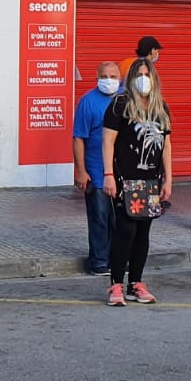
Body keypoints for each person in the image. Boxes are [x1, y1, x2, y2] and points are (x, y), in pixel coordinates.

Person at [101, 60, 173, 306]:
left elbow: (166, 146)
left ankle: (136, 283)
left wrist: (168, 179)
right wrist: (108, 175)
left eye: (147, 74)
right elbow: (108, 141)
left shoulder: (160, 107)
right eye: (139, 74)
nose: (143, 79)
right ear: (130, 78)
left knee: (143, 232)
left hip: (151, 181)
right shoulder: (120, 105)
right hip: (125, 179)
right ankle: (116, 284)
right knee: (125, 230)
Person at [72, 61, 121, 275]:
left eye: (113, 76)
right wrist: (81, 171)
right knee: (99, 217)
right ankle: (99, 261)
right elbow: (78, 138)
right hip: (96, 171)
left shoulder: (126, 100)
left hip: (121, 172)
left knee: (120, 219)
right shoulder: (88, 102)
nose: (108, 80)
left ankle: (117, 259)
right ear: (97, 78)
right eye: (104, 76)